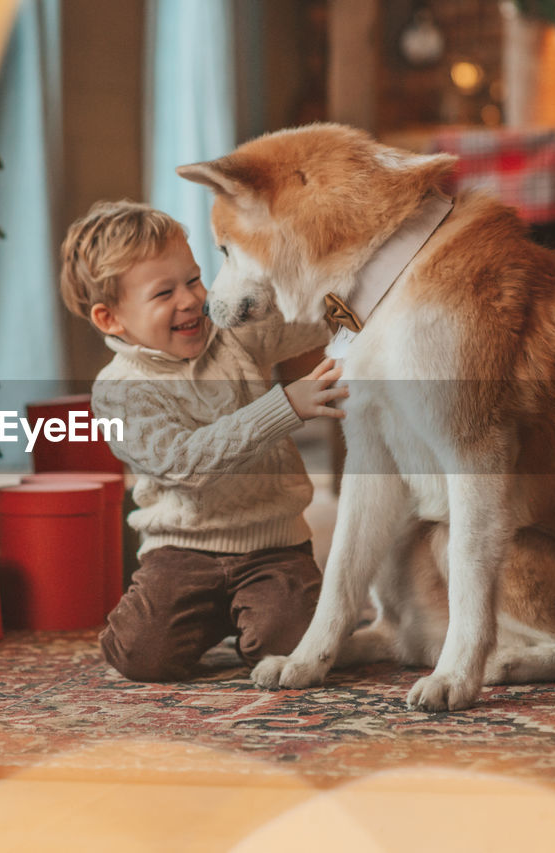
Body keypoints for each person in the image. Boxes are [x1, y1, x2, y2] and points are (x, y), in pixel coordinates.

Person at [58, 199, 346, 681]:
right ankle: (210, 614)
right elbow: (183, 465)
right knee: (141, 658)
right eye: (163, 293)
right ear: (110, 319)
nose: (191, 300)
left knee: (294, 646)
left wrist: (349, 292)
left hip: (273, 543)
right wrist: (285, 406)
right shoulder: (118, 392)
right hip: (181, 549)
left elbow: (312, 318)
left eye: (193, 279)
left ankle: (253, 613)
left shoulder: (233, 333)